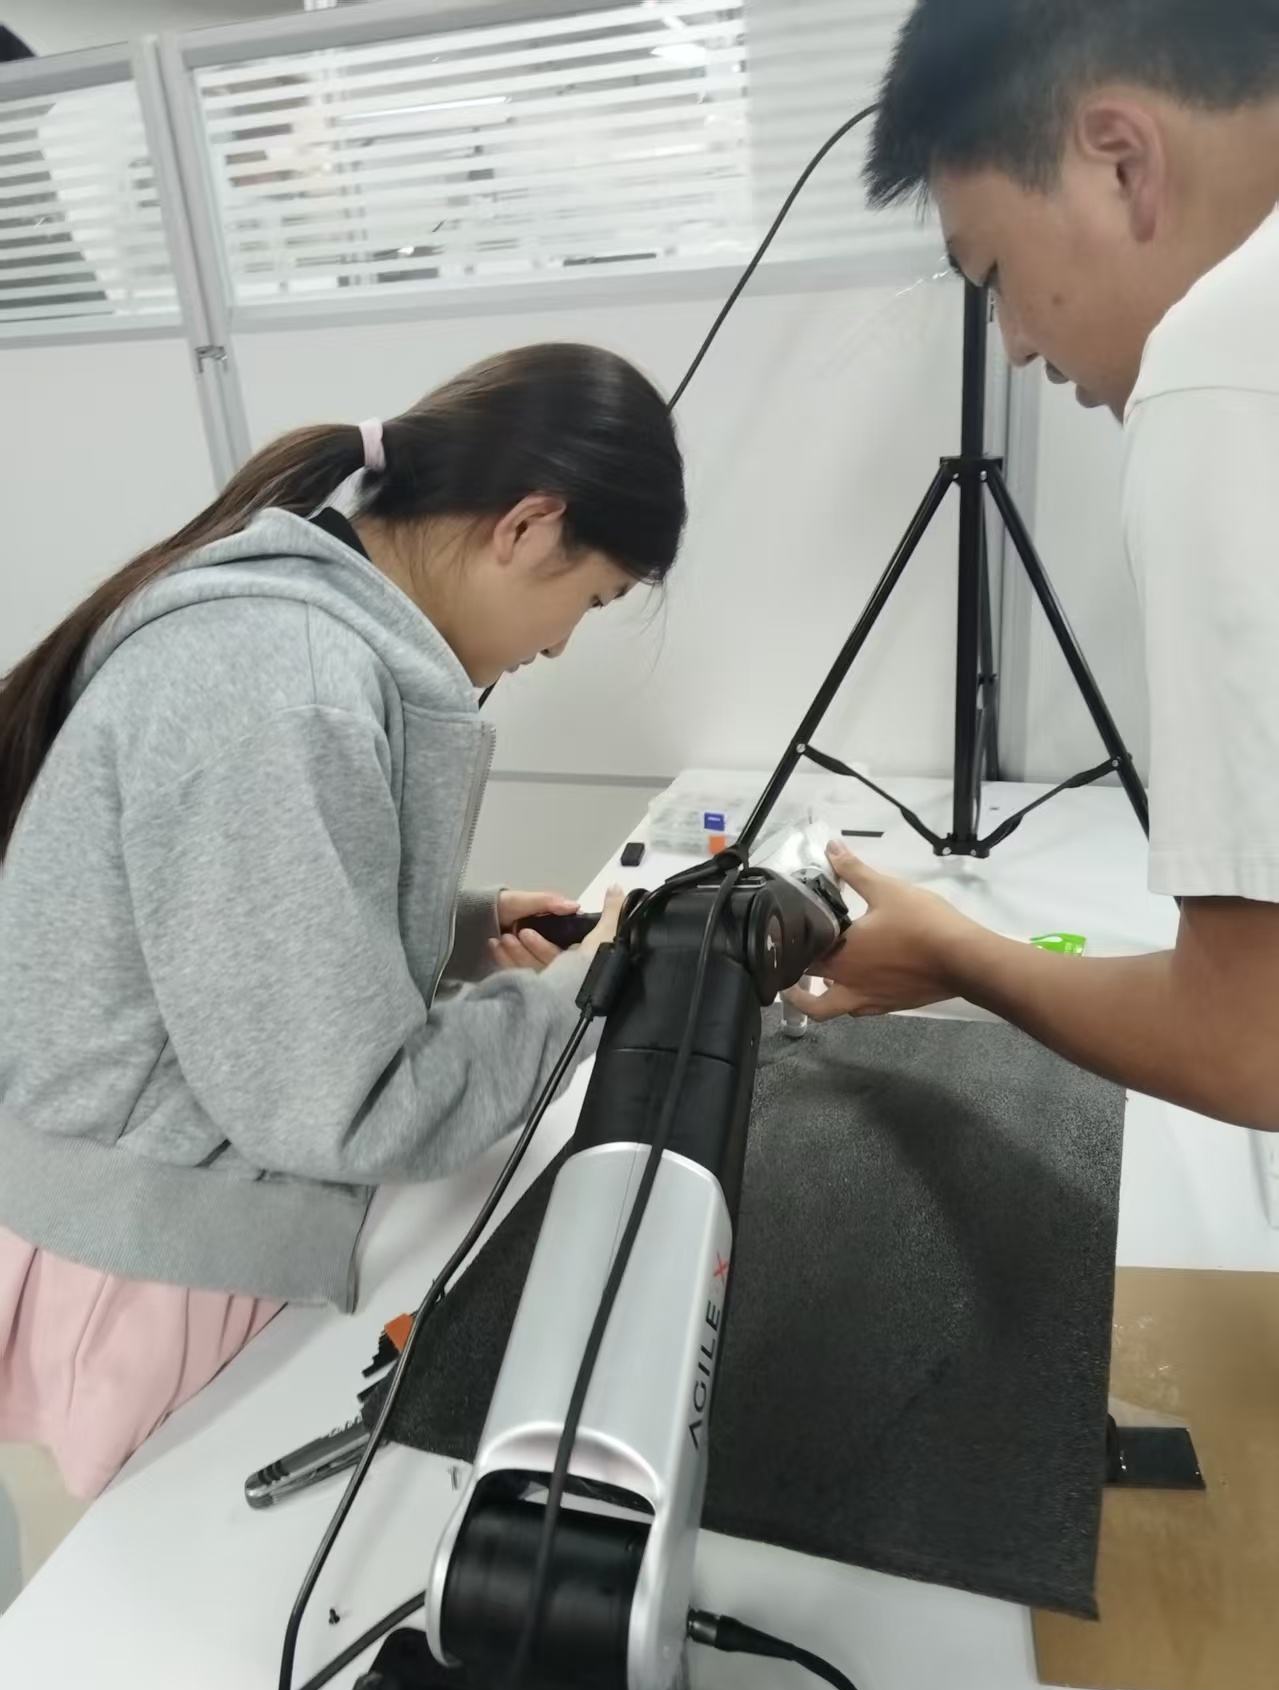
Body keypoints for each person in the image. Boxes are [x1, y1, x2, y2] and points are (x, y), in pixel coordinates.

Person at [0, 342, 685, 1498]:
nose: (562, 642)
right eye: (590, 599)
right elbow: (346, 1106)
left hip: (144, 1228)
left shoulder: (294, 641)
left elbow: (222, 929)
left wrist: (467, 930)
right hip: (142, 1267)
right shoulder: (287, 681)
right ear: (524, 526)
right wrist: (582, 992)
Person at [789, 0, 1279, 1132]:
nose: (1010, 341)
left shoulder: (1218, 367)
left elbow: (1247, 1039)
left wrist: (956, 951)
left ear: (1120, 159)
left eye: (993, 270)